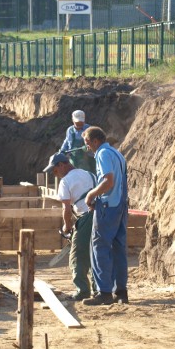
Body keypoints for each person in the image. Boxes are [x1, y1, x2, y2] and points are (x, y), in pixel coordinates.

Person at [81, 126, 129, 306]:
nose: (87, 148)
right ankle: (121, 292)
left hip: (108, 206)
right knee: (118, 248)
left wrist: (91, 194)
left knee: (99, 247)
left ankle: (104, 292)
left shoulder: (102, 154)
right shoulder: (117, 154)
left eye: (87, 143)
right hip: (121, 206)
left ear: (95, 141)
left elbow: (108, 181)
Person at [43, 152, 96, 301]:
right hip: (101, 215)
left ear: (61, 165)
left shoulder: (65, 182)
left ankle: (83, 291)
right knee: (95, 253)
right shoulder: (89, 174)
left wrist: (67, 226)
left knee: (77, 256)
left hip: (86, 216)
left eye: (54, 170)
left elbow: (66, 209)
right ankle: (99, 290)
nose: (55, 174)